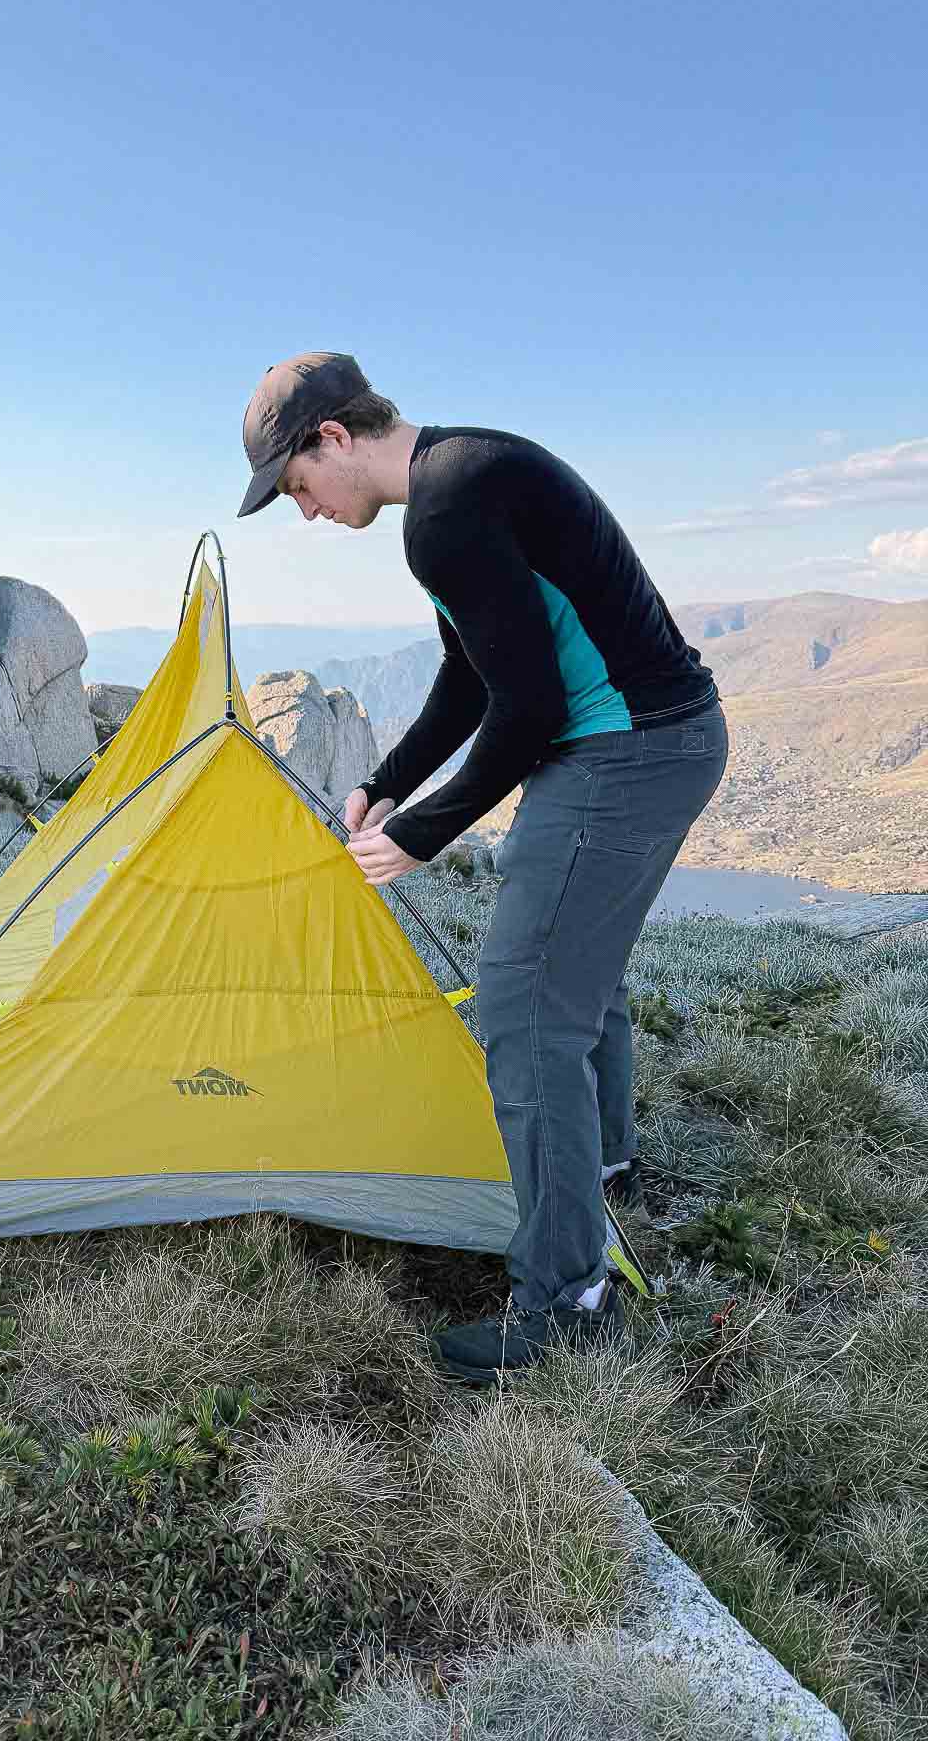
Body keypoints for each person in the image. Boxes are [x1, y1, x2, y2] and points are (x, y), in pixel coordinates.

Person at [237, 351, 728, 1382]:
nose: (307, 513)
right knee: (575, 975)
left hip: (623, 749)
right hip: (658, 738)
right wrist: (389, 780)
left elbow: (533, 709)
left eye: (295, 488)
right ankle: (602, 1168)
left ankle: (566, 1300)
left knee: (523, 1003)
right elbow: (474, 678)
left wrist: (424, 833)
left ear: (332, 439)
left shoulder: (448, 509)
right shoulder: (462, 476)